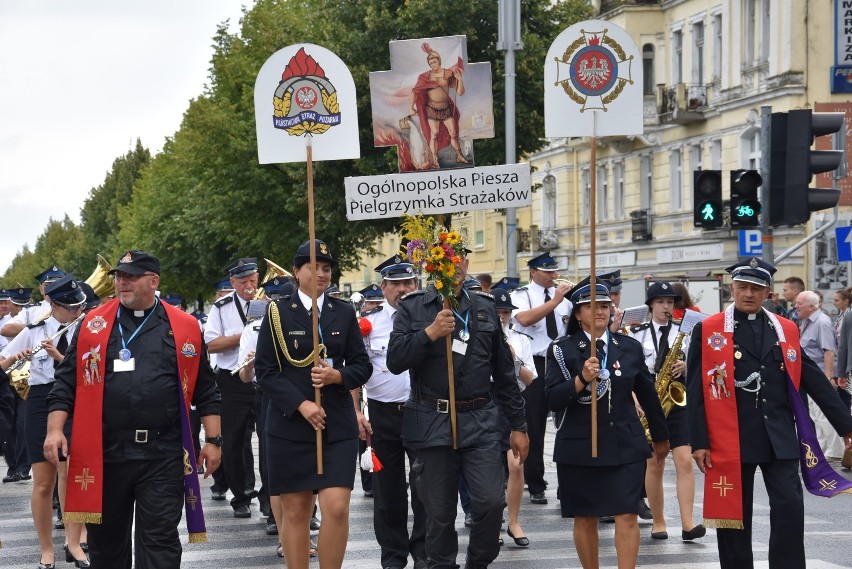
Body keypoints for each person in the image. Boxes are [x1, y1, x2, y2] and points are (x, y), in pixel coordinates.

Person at [44, 250, 222, 569]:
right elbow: (66, 383)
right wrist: (55, 430)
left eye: (130, 276)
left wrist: (213, 440)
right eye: (118, 276)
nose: (121, 283)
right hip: (107, 452)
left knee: (160, 540)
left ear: (153, 281)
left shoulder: (184, 326)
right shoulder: (92, 325)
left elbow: (206, 388)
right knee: (107, 544)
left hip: (164, 451)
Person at [687, 257, 852, 569]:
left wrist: (846, 425)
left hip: (779, 435)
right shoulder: (708, 329)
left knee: (790, 506)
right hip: (731, 437)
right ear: (732, 288)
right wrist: (699, 441)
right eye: (743, 287)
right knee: (734, 517)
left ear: (768, 293)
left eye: (756, 288)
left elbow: (812, 378)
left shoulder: (785, 329)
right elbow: (695, 389)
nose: (748, 293)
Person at [387, 250, 529, 569]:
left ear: (465, 266)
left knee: (491, 502)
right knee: (438, 514)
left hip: (480, 421)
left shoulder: (484, 307)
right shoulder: (413, 307)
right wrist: (429, 334)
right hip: (432, 423)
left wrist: (519, 426)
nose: (453, 269)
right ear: (433, 267)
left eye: (459, 262)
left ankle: (478, 562)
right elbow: (395, 361)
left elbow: (505, 374)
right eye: (445, 263)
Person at [255, 239, 372, 569]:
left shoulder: (344, 311)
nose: (321, 274)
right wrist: (301, 404)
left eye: (326, 269)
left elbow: (362, 365)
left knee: (336, 506)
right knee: (296, 510)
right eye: (313, 267)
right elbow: (265, 371)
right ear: (296, 271)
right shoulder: (277, 312)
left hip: (335, 423)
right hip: (290, 424)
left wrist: (338, 376)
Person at [545, 278, 669, 569]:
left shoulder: (627, 347)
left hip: (624, 443)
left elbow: (647, 393)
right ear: (577, 314)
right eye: (591, 306)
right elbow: (552, 399)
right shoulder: (562, 349)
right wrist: (581, 380)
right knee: (586, 516)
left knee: (627, 514)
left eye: (604, 305)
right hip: (580, 445)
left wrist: (662, 436)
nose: (600, 311)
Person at [0, 275, 88, 568]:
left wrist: (59, 355)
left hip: (74, 400)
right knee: (43, 481)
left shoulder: (85, 329)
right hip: (39, 402)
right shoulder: (34, 330)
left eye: (79, 307)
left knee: (70, 471)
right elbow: (2, 364)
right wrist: (16, 358)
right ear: (53, 305)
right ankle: (46, 549)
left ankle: (74, 543)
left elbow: (89, 371)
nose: (77, 312)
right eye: (70, 308)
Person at [359, 254, 428, 569]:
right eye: (396, 284)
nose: (403, 289)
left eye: (409, 282)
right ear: (383, 287)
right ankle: (393, 555)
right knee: (387, 492)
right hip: (382, 414)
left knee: (426, 486)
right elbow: (354, 369)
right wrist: (356, 412)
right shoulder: (368, 324)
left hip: (423, 411)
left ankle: (424, 551)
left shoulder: (430, 319)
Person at [629, 281, 705, 541]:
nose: (666, 307)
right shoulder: (636, 333)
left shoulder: (685, 332)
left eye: (670, 302)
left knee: (685, 460)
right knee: (655, 462)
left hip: (676, 400)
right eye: (661, 302)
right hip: (649, 400)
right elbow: (628, 371)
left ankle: (688, 523)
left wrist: (685, 365)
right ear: (651, 305)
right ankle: (658, 521)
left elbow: (698, 365)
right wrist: (635, 398)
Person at [511, 251, 573, 505]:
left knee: (567, 424)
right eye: (547, 272)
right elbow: (524, 319)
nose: (553, 276)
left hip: (560, 361)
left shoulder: (566, 300)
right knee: (533, 425)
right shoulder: (521, 295)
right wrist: (555, 301)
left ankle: (566, 485)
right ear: (533, 272)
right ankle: (535, 483)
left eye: (554, 271)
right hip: (534, 362)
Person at [204, 257, 261, 517]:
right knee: (235, 441)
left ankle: (271, 503)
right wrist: (246, 335)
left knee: (271, 440)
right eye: (243, 281)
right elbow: (212, 344)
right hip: (232, 379)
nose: (249, 285)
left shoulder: (268, 303)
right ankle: (241, 497)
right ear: (232, 282)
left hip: (264, 379)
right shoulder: (221, 308)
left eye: (253, 279)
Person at [493, 289, 536, 548]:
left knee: (516, 464)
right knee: (491, 467)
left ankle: (514, 521)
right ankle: (492, 522)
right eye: (497, 312)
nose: (502, 316)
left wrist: (514, 359)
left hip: (513, 401)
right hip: (488, 401)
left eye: (506, 312)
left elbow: (530, 380)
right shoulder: (480, 337)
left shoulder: (521, 339)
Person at [796, 290, 846, 459]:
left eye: (799, 303)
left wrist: (828, 377)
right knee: (816, 416)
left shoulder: (822, 322)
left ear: (811, 306)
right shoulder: (808, 321)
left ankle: (836, 451)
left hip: (820, 377)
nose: (796, 307)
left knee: (824, 415)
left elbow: (829, 351)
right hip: (811, 376)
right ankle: (824, 449)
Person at [409, 42, 469, 168]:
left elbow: (460, 92)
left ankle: (459, 155)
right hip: (432, 108)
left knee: (453, 133)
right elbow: (415, 91)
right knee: (434, 134)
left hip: (446, 108)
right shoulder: (425, 77)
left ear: (439, 61)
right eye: (431, 63)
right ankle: (435, 159)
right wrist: (411, 107)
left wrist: (460, 80)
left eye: (435, 61)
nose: (433, 64)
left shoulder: (448, 73)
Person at [1, 265, 65, 339]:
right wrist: (36, 326)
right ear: (41, 289)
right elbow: (5, 330)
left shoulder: (75, 309)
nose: (54, 288)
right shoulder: (31, 310)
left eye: (58, 284)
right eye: (48, 285)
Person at [834, 287, 852, 470]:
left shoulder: (848, 316)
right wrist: (841, 373)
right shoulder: (848, 316)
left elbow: (843, 348)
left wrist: (841, 373)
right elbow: (843, 347)